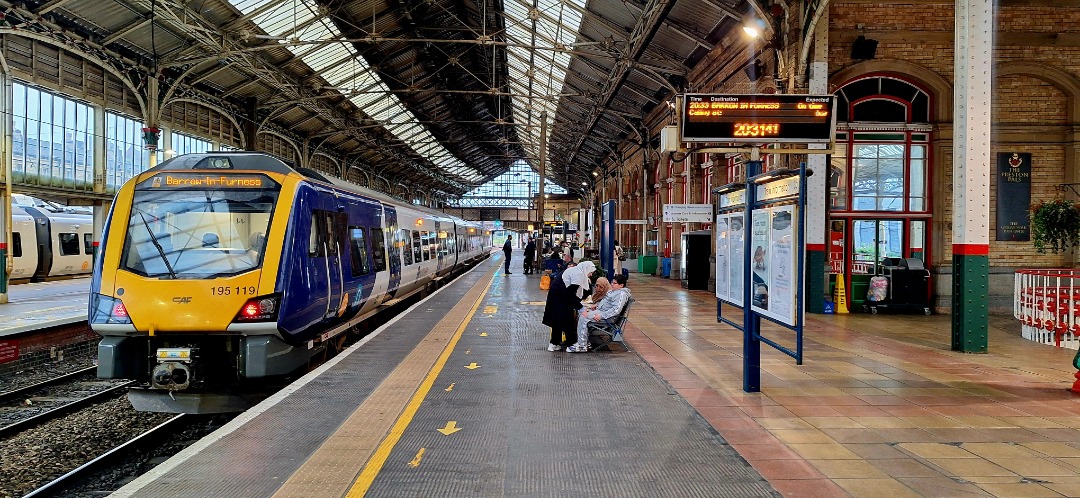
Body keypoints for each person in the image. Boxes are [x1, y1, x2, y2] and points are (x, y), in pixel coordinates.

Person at [568, 273, 631, 352]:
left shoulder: (621, 294)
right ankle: (585, 343)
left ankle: (582, 346)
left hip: (607, 318)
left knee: (584, 317)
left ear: (621, 285)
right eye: (612, 282)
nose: (612, 284)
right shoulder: (613, 292)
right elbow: (606, 303)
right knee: (583, 313)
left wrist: (601, 316)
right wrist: (596, 306)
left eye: (614, 283)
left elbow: (616, 310)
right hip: (601, 312)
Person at [542, 260, 595, 352]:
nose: (590, 275)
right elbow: (570, 293)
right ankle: (572, 344)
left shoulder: (575, 271)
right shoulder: (578, 274)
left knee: (557, 321)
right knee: (567, 320)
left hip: (556, 297)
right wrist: (581, 308)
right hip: (560, 298)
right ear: (586, 269)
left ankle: (554, 344)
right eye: (591, 272)